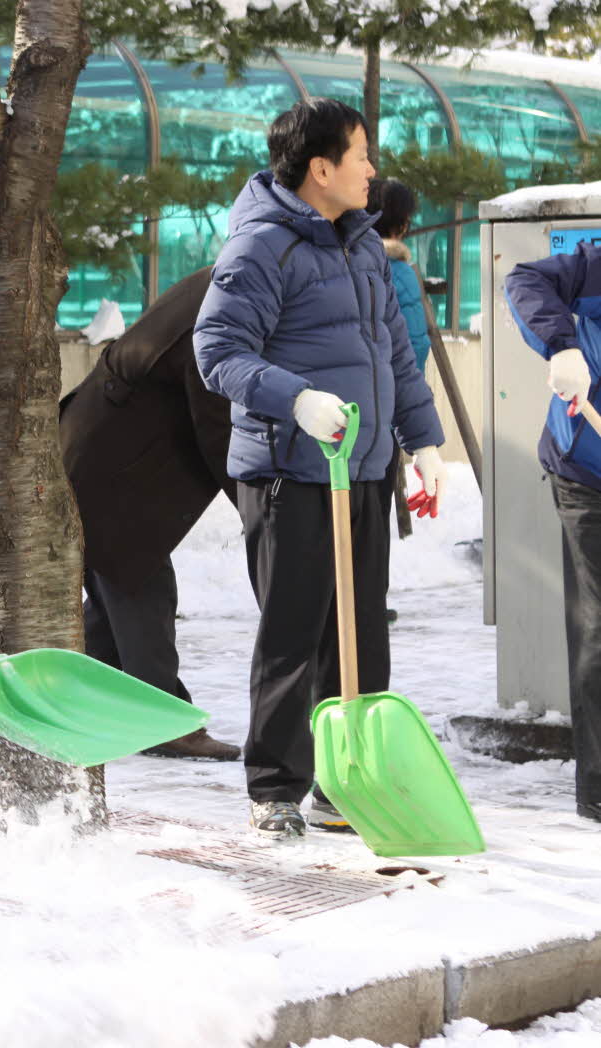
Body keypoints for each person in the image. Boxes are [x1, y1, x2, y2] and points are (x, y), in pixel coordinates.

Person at [193, 99, 448, 839]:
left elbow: (394, 351)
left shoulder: (362, 243)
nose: (373, 170)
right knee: (294, 633)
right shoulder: (261, 248)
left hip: (363, 468)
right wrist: (295, 399)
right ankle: (276, 787)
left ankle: (349, 779)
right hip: (289, 471)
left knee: (362, 630)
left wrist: (421, 440)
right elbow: (217, 353)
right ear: (322, 168)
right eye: (362, 155)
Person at [59, 267, 239, 762]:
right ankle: (163, 721)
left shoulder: (219, 282)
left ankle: (90, 705)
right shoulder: (223, 306)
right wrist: (257, 499)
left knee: (114, 591)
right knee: (137, 580)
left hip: (104, 447)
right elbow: (216, 419)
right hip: (116, 459)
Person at [503, 241, 601, 824]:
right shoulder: (595, 266)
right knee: (598, 622)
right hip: (585, 469)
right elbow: (524, 279)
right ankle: (597, 786)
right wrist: (563, 345)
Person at [367, 178, 431, 375]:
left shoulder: (341, 262)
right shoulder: (400, 272)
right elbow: (416, 345)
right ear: (401, 223)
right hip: (393, 389)